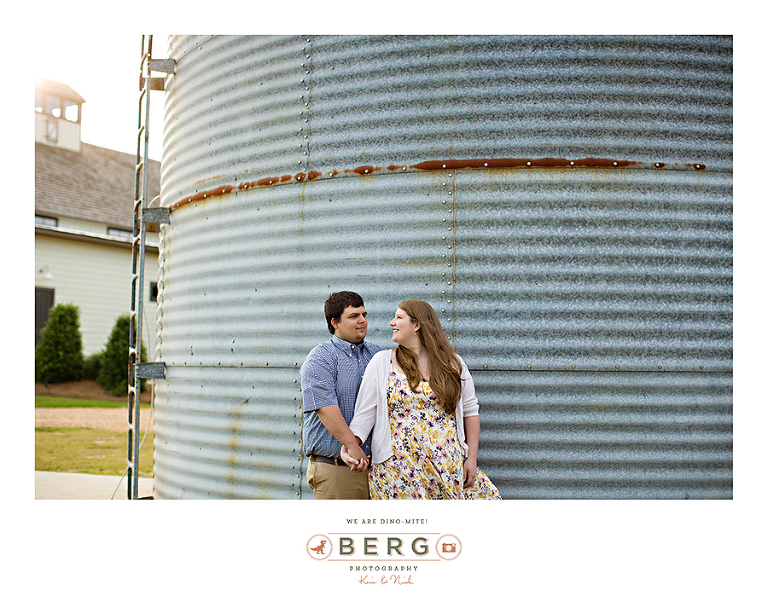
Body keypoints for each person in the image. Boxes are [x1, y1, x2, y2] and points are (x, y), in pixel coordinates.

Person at [341, 299, 501, 499]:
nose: (392, 322)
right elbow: (365, 415)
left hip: (447, 468)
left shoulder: (453, 364)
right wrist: (350, 445)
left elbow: (470, 411)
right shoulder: (382, 362)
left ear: (417, 325)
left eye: (398, 317)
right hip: (397, 472)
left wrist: (471, 458)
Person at [300, 291, 384, 499]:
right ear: (334, 322)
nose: (362, 320)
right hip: (337, 470)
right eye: (353, 316)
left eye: (364, 315)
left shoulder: (378, 355)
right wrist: (352, 446)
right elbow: (325, 408)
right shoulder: (321, 358)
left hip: (378, 470)